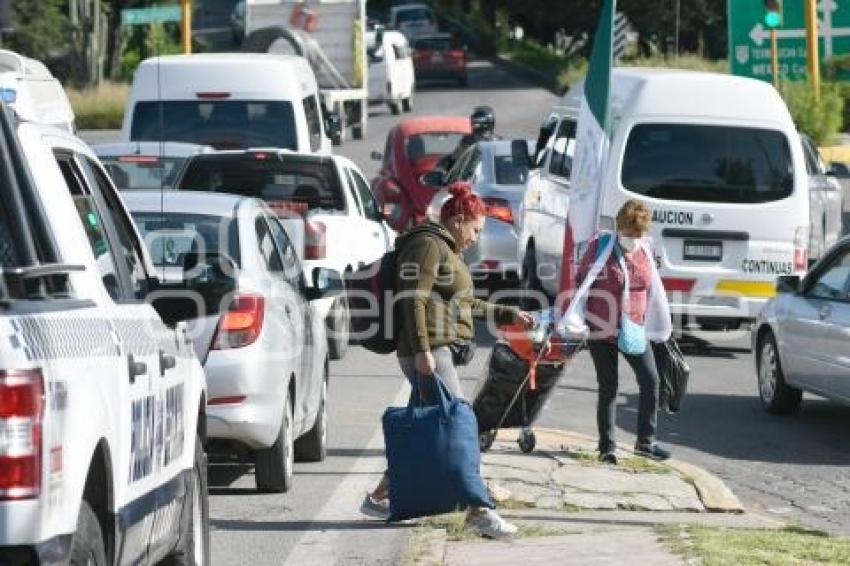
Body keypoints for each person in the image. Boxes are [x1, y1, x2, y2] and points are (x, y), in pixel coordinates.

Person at [361, 181, 534, 539]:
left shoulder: (447, 250)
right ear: (458, 218)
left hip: (436, 350)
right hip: (429, 351)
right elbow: (413, 299)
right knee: (460, 428)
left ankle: (378, 497)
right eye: (476, 229)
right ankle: (479, 511)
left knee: (426, 434)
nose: (475, 237)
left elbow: (465, 303)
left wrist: (507, 313)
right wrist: (423, 350)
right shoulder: (426, 245)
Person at [558, 199, 672, 464]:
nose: (632, 239)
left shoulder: (646, 249)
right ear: (619, 228)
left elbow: (653, 286)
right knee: (608, 386)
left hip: (634, 329)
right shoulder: (601, 247)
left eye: (637, 234)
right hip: (602, 329)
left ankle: (646, 443)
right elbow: (580, 282)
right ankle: (606, 446)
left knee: (650, 380)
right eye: (628, 233)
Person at [438, 105, 498, 172]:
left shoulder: (469, 140)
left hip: (480, 177)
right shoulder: (469, 140)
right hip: (474, 177)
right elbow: (454, 159)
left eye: (475, 122)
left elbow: (454, 159)